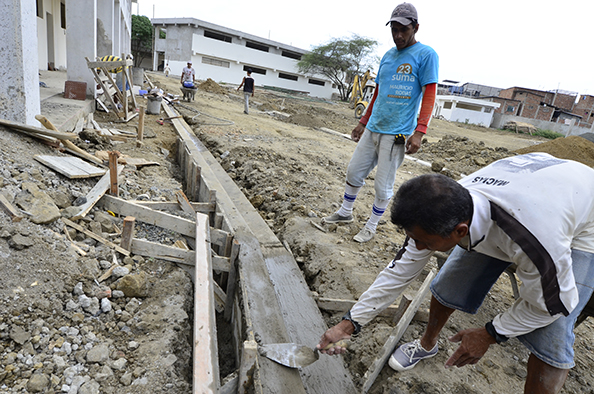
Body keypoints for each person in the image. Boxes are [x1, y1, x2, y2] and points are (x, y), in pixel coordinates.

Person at [318, 152, 594, 394]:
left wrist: (491, 333)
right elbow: (399, 271)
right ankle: (428, 344)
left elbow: (554, 306)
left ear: (460, 231)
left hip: (583, 221)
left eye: (425, 242)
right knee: (447, 286)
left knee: (552, 331)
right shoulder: (443, 206)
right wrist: (350, 323)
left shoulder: (534, 238)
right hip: (532, 191)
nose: (418, 247)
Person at [321, 2, 438, 243]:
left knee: (383, 183)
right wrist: (363, 121)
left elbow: (429, 94)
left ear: (416, 27)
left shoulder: (426, 55)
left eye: (403, 29)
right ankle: (345, 213)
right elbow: (378, 93)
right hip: (374, 127)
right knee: (354, 171)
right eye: (394, 29)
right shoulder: (388, 56)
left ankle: (372, 225)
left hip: (397, 133)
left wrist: (419, 132)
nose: (398, 35)